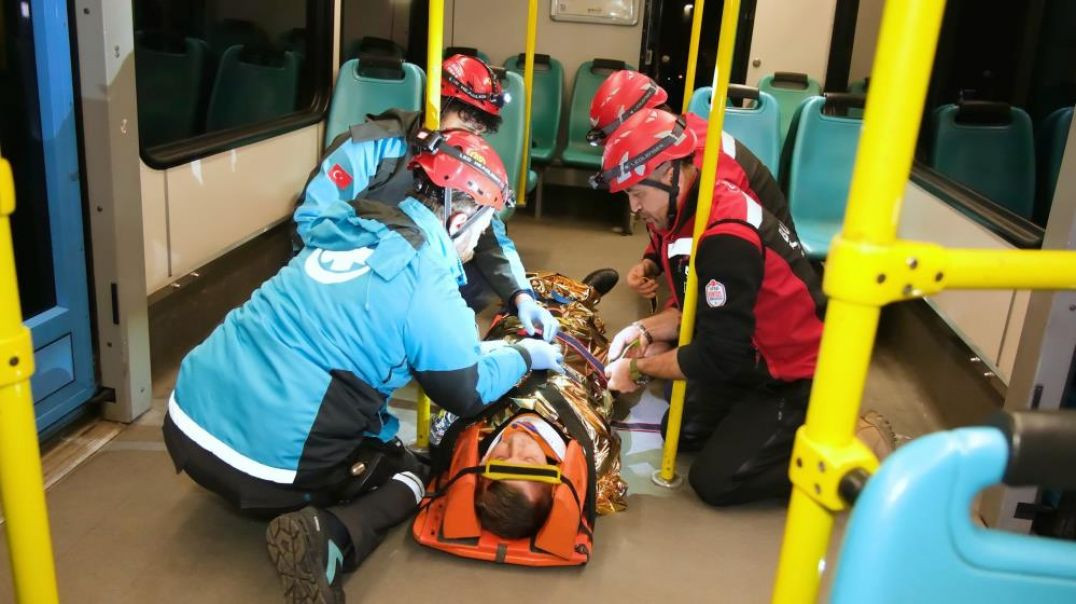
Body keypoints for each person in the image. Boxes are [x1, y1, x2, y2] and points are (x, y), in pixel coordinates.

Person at [163, 130, 565, 603]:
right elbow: (465, 390)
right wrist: (525, 355)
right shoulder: (427, 277)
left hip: (186, 418)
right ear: (460, 213)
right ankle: (329, 535)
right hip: (266, 464)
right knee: (412, 471)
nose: (480, 239)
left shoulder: (352, 223)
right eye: (484, 223)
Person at [592, 108, 826, 507]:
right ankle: (755, 421)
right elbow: (695, 311)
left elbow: (717, 355)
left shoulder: (723, 236)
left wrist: (637, 369)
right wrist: (645, 330)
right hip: (750, 350)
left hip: (796, 369)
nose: (634, 208)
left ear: (668, 172)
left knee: (717, 480)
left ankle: (845, 433)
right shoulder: (688, 212)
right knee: (680, 433)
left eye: (636, 193)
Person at [293, 53, 560, 341]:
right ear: (436, 105)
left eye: (479, 128)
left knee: (478, 276)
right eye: (465, 120)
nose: (469, 135)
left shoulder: (467, 164)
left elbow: (491, 237)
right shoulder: (371, 146)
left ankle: (414, 336)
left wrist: (523, 297)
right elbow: (311, 222)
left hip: (415, 277)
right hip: (356, 275)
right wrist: (385, 254)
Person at [586, 70, 798, 307]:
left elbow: (711, 267)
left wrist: (670, 318)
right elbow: (674, 222)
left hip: (767, 289)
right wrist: (652, 260)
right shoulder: (678, 141)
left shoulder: (703, 163)